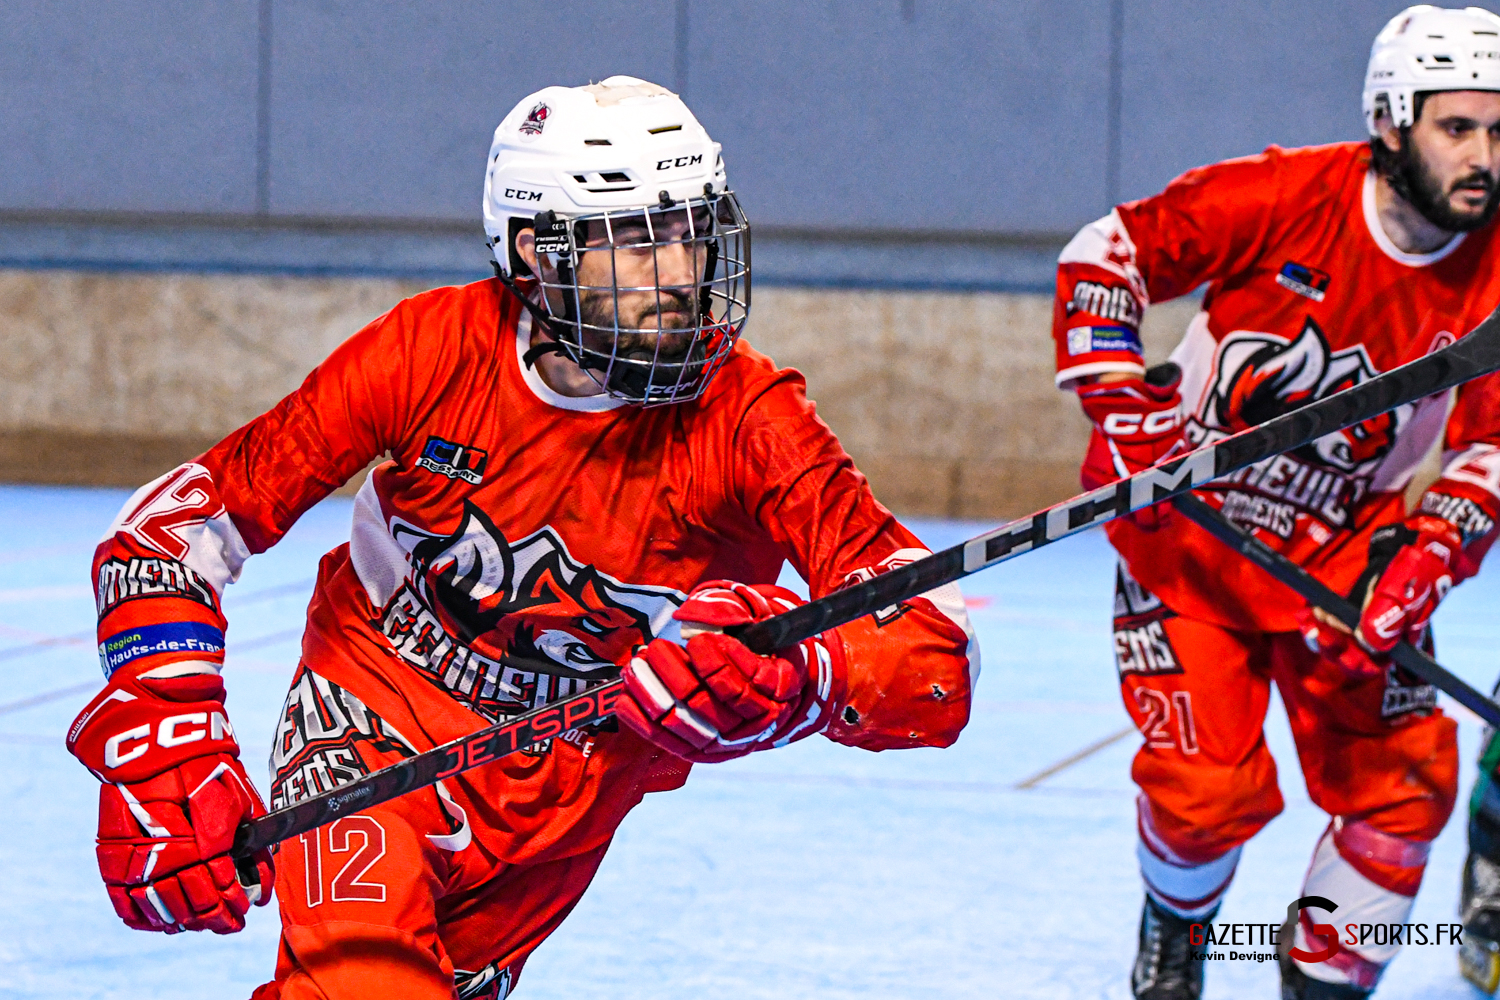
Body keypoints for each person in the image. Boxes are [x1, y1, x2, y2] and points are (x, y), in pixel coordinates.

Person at [65, 76, 979, 1000]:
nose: (678, 273)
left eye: (689, 230)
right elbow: (173, 530)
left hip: (574, 785)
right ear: (538, 257)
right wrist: (166, 732)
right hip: (374, 715)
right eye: (632, 239)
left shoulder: (755, 422)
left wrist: (801, 681)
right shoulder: (425, 354)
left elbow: (935, 654)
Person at [1050, 7, 1500, 998]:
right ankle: (1176, 935)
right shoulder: (1287, 191)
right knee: (1203, 792)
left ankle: (1321, 981)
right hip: (1189, 539)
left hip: (1349, 559)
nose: (1484, 156)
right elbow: (1106, 253)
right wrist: (1123, 404)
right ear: (1391, 122)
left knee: (1409, 785)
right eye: (1458, 128)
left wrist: (1431, 553)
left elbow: (1492, 443)